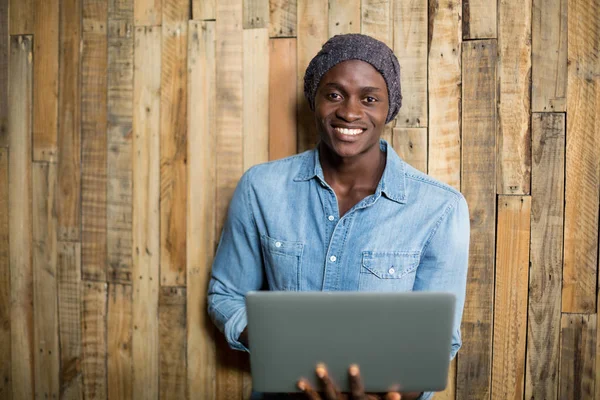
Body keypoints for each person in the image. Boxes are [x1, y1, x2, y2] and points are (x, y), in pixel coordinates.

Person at [207, 34, 470, 400]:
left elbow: (438, 341)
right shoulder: (261, 188)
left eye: (369, 98)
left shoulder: (440, 208)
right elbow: (226, 294)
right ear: (313, 100)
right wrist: (289, 353)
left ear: (388, 109)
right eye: (334, 94)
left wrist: (386, 396)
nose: (349, 111)